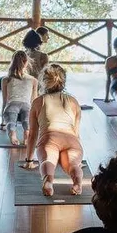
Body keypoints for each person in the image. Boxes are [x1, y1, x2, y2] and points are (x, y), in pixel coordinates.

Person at [23, 64, 84, 197]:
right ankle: (77, 181)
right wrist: (78, 159)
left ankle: (48, 181)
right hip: (72, 141)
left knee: (48, 161)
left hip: (50, 139)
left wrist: (29, 160)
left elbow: (33, 134)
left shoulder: (39, 101)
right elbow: (76, 132)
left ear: (43, 82)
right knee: (72, 164)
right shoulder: (74, 101)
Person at [0, 51, 37, 145]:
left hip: (12, 104)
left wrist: (3, 123)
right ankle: (27, 134)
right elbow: (34, 101)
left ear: (12, 62)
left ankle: (12, 134)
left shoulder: (5, 79)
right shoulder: (33, 80)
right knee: (26, 120)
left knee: (11, 121)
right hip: (26, 105)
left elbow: (4, 101)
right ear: (26, 62)